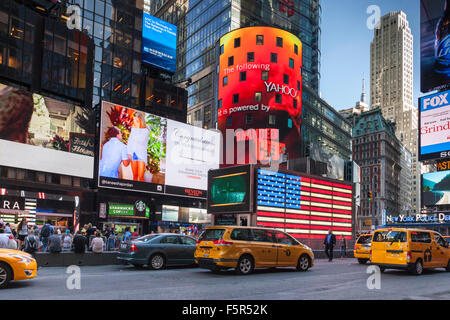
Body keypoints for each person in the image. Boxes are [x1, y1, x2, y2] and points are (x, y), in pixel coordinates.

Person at [127, 112, 149, 182]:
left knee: (141, 177)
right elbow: (130, 141)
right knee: (135, 176)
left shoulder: (146, 130)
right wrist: (129, 153)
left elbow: (140, 141)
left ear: (141, 120)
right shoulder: (133, 129)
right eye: (134, 120)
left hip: (141, 155)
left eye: (137, 121)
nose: (135, 123)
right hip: (133, 154)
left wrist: (135, 131)